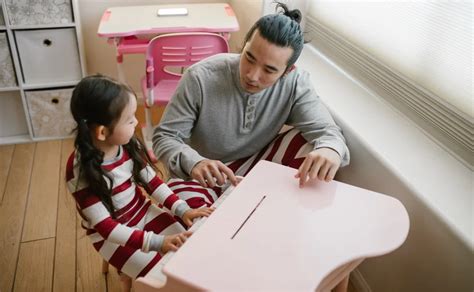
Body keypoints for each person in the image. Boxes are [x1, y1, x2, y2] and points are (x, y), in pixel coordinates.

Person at [153, 2, 350, 206]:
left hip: (257, 168)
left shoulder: (296, 82)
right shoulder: (200, 77)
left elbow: (328, 132)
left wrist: (331, 150)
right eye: (249, 57)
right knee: (185, 214)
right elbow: (165, 137)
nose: (252, 75)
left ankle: (276, 214)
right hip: (204, 175)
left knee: (312, 146)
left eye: (269, 70)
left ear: (287, 71)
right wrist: (195, 163)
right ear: (244, 45)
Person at [66, 74, 214, 279]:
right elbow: (107, 228)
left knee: (187, 250)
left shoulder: (128, 144)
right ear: (102, 132)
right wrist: (157, 243)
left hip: (143, 212)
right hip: (112, 237)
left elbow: (152, 182)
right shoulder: (79, 172)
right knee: (162, 276)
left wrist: (183, 209)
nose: (137, 122)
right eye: (129, 119)